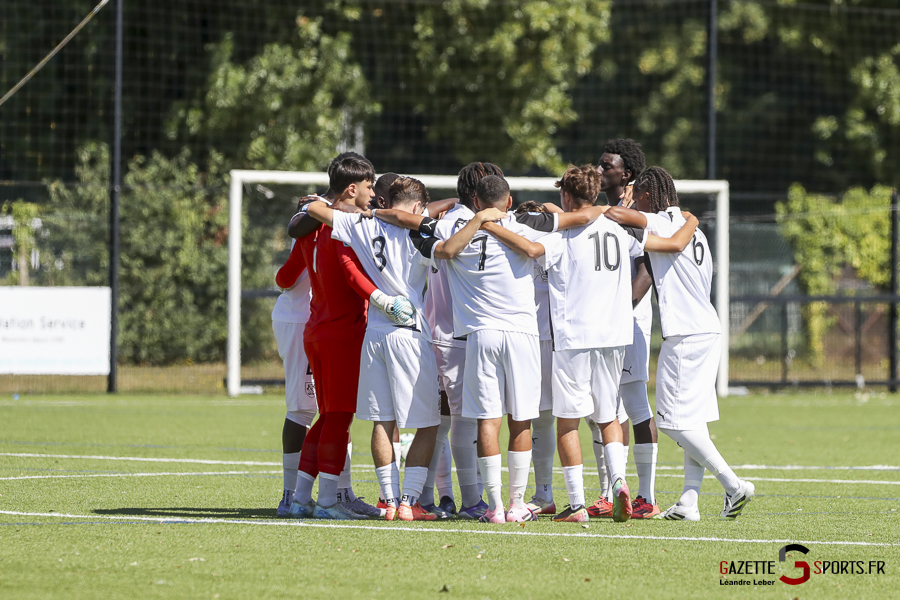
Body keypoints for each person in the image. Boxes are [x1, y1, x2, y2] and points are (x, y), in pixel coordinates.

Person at [482, 165, 698, 523]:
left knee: (567, 422)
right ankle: (618, 481)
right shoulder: (618, 229)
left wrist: (490, 225)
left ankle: (577, 505)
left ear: (567, 196)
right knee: (609, 415)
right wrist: (691, 219)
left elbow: (532, 249)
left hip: (574, 337)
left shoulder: (563, 234)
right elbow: (667, 244)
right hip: (615, 336)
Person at [605, 166, 755, 521]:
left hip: (686, 333)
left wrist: (628, 204)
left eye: (637, 194)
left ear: (646, 196)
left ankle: (733, 484)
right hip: (707, 328)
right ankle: (689, 502)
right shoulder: (691, 227)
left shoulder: (660, 221)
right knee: (694, 421)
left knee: (672, 422)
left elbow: (614, 212)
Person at [304, 176, 448, 521]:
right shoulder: (422, 232)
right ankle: (409, 502)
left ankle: (388, 500)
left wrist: (322, 200)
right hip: (409, 332)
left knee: (382, 422)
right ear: (416, 207)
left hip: (375, 332)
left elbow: (313, 209)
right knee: (428, 424)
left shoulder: (362, 224)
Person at [287, 155, 414, 520]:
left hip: (318, 329)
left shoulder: (312, 225)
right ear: (353, 189)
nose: (374, 194)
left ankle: (300, 499)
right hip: (341, 333)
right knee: (338, 418)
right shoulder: (340, 227)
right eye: (371, 187)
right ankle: (327, 502)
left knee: (327, 417)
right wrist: (383, 300)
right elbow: (350, 272)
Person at [590, 138, 661, 519]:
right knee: (603, 406)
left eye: (607, 166)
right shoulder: (610, 210)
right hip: (606, 321)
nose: (600, 171)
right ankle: (610, 490)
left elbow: (646, 268)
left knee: (634, 404)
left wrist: (621, 307)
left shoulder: (634, 212)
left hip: (629, 321)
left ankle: (646, 497)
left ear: (626, 173)